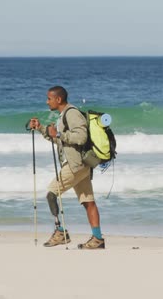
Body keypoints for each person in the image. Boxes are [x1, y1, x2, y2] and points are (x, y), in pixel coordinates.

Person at [29, 86, 105, 249]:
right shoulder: (63, 116)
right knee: (88, 201)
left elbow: (81, 137)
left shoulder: (72, 113)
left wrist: (58, 134)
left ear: (58, 99)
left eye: (49, 98)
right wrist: (42, 129)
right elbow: (61, 140)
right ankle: (97, 239)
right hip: (80, 165)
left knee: (51, 193)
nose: (46, 101)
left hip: (75, 165)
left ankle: (60, 232)